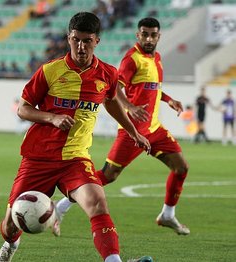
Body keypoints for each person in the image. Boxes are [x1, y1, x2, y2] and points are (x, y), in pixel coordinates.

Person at [0, 12, 152, 262]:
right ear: (69, 38)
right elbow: (23, 108)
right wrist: (51, 118)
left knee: (97, 202)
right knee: (12, 224)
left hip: (75, 158)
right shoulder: (50, 71)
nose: (81, 46)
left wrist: (133, 132)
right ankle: (9, 247)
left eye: (87, 41)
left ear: (97, 41)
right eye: (76, 39)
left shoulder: (108, 74)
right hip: (39, 158)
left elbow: (111, 103)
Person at [55, 17, 191, 237]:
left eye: (152, 34)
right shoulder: (131, 59)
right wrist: (130, 106)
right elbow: (114, 89)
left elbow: (152, 88)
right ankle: (60, 207)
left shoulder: (156, 58)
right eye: (144, 34)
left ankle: (167, 214)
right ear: (138, 35)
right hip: (133, 130)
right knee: (109, 175)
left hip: (155, 128)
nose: (148, 38)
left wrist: (169, 100)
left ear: (159, 36)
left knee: (181, 167)